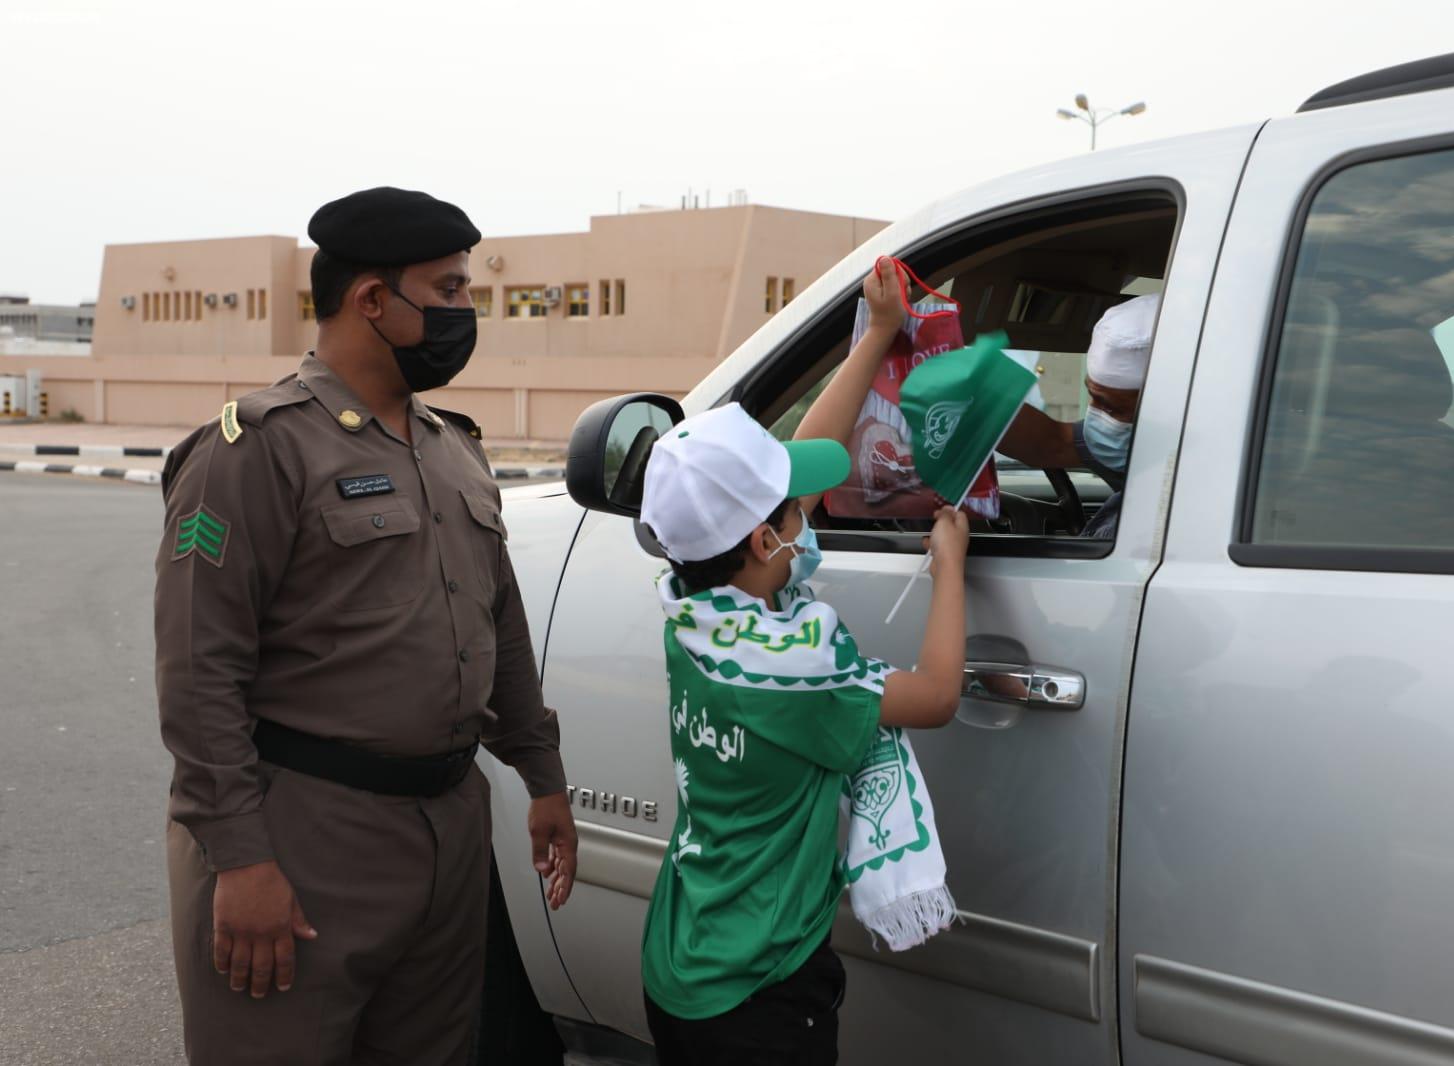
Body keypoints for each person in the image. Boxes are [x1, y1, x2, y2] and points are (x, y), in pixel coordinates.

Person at [154, 186, 577, 1066]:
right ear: (372, 300)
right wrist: (240, 858)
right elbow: (199, 672)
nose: (467, 312)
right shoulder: (255, 450)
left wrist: (542, 775)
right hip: (306, 834)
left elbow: (498, 624)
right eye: (451, 291)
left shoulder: (452, 447)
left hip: (446, 832)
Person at [635, 261, 971, 1065]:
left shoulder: (695, 611)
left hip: (683, 961)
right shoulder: (797, 674)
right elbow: (932, 697)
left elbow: (796, 470)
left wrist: (880, 332)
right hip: (760, 993)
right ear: (761, 540)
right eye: (793, 510)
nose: (805, 516)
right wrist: (952, 567)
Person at [998, 292, 1160, 538]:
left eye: (1110, 407)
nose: (1095, 415)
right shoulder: (1145, 446)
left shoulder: (1159, 525)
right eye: (1092, 396)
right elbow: (1052, 443)